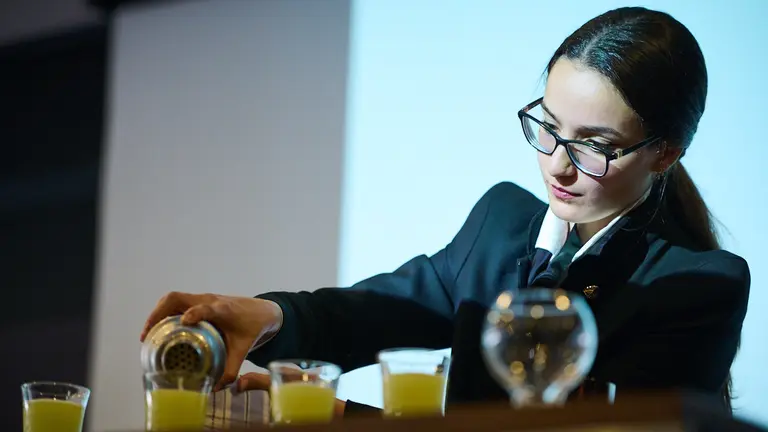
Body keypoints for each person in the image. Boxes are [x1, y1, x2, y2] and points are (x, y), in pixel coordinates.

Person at [140, 6, 750, 416]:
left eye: (594, 146)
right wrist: (266, 316)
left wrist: (340, 417)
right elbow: (372, 312)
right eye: (549, 127)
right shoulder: (501, 223)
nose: (558, 166)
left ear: (664, 153)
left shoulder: (698, 287)